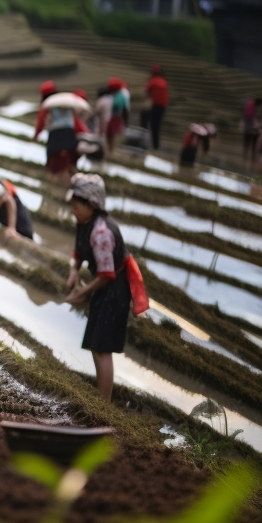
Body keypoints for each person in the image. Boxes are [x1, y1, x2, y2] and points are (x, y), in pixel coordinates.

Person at [63, 173, 148, 401]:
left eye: (76, 206)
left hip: (115, 288)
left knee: (102, 346)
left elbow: (107, 274)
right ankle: (103, 399)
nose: (73, 210)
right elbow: (79, 250)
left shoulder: (101, 233)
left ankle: (103, 404)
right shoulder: (84, 221)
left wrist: (82, 292)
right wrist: (74, 271)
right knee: (96, 343)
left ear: (92, 205)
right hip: (106, 283)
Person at [0, 173, 33, 241]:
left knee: (24, 232)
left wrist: (11, 227)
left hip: (12, 203)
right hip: (0, 204)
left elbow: (10, 201)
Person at [144, 66, 169, 150]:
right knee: (157, 126)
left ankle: (145, 141)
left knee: (147, 123)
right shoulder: (164, 82)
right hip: (162, 107)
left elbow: (147, 92)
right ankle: (156, 146)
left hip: (155, 106)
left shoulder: (153, 81)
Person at [241, 97, 262, 162]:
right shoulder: (254, 107)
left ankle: (245, 157)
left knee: (246, 144)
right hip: (254, 129)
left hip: (247, 128)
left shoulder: (248, 105)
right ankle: (252, 159)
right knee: (254, 145)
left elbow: (244, 115)